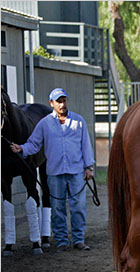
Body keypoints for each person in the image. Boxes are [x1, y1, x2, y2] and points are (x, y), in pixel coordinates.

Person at [11, 88, 95, 251]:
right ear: (52, 104)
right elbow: (34, 144)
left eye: (64, 100)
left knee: (78, 207)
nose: (62, 104)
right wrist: (21, 149)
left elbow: (86, 146)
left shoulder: (79, 121)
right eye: (58, 101)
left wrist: (89, 167)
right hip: (55, 173)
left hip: (76, 171)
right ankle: (62, 241)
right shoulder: (44, 124)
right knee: (57, 208)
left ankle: (78, 239)